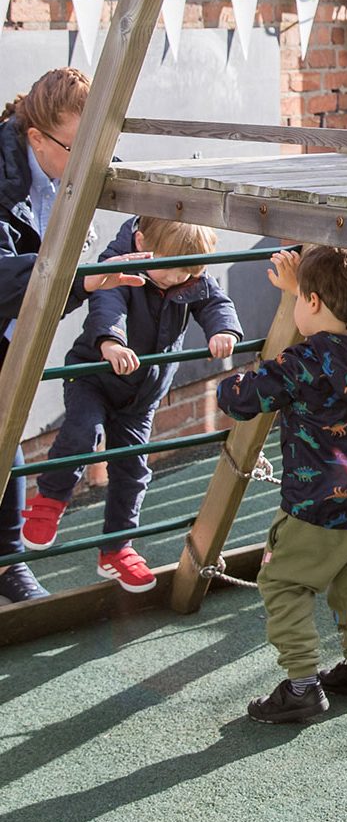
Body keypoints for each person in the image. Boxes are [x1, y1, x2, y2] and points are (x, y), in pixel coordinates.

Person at [216, 245, 347, 724]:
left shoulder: (302, 362)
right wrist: (304, 289)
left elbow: (243, 400)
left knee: (283, 581)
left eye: (303, 300)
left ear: (312, 304)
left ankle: (301, 687)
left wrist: (227, 382)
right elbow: (331, 326)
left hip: (316, 507)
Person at [20, 215, 241, 593]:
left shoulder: (186, 276)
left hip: (141, 396)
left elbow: (214, 301)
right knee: (84, 433)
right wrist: (111, 342)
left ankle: (117, 549)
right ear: (140, 242)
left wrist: (223, 330)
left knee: (133, 470)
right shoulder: (119, 264)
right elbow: (109, 304)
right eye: (169, 273)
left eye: (185, 275)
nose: (175, 281)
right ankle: (50, 499)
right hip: (94, 377)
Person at [0, 68, 149, 606]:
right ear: (36, 137)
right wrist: (85, 279)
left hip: (14, 326)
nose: (91, 162)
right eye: (77, 146)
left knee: (7, 429)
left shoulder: (65, 172)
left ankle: (8, 564)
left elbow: (51, 283)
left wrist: (88, 280)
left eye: (99, 147)